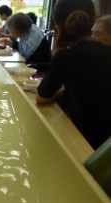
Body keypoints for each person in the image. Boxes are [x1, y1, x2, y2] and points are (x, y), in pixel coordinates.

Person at [36, 0, 111, 149]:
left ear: (59, 25)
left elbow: (41, 97)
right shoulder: (103, 52)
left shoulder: (66, 56)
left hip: (89, 143)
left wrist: (60, 92)